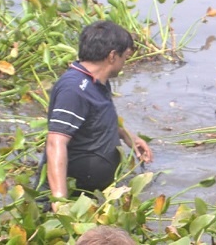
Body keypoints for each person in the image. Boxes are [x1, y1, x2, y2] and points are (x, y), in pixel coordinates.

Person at [42, 20, 153, 210]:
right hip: (74, 199)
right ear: (112, 56)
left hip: (91, 196)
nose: (124, 64)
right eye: (124, 57)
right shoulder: (74, 88)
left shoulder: (98, 81)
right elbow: (56, 142)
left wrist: (129, 137)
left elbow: (97, 119)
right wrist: (61, 204)